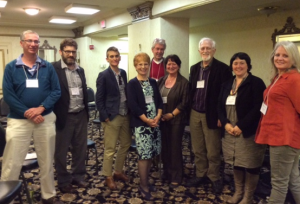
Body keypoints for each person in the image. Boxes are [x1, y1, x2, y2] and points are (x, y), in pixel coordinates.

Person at [1, 30, 62, 204]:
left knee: (46, 160)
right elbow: (8, 95)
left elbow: (56, 91)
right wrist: (28, 112)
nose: (33, 44)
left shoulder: (47, 66)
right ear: (22, 43)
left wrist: (41, 108)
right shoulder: (11, 67)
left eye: (36, 41)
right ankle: (7, 197)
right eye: (29, 41)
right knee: (12, 161)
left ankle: (48, 195)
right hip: (19, 121)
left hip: (45, 119)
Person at [255, 41, 300, 204]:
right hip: (279, 135)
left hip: (284, 138)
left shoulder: (294, 79)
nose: (280, 58)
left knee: (279, 183)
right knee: (293, 179)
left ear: (293, 59)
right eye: (278, 54)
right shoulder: (278, 77)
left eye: (285, 55)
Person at [218, 52, 266, 203]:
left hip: (247, 132)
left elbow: (258, 107)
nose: (238, 66)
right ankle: (238, 193)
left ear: (248, 65)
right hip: (229, 130)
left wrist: (241, 126)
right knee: (236, 162)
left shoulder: (256, 83)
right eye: (235, 63)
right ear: (231, 66)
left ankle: (248, 196)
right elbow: (219, 105)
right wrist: (225, 123)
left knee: (250, 164)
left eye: (242, 63)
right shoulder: (227, 84)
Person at [187, 37, 232, 193]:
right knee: (197, 148)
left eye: (208, 48)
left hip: (212, 115)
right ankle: (201, 173)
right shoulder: (194, 69)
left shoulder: (223, 69)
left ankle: (213, 176)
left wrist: (222, 116)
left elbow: (225, 95)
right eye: (203, 48)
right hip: (195, 113)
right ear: (199, 51)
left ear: (214, 50)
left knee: (213, 149)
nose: (205, 51)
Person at [52, 38, 89, 193]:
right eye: (67, 51)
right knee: (61, 151)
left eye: (73, 52)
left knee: (80, 148)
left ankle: (78, 176)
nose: (71, 54)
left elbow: (83, 91)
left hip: (80, 114)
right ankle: (63, 179)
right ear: (61, 52)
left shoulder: (80, 70)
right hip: (63, 116)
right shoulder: (53, 69)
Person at [127, 52, 163, 200]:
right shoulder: (132, 84)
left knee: (151, 155)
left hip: (155, 124)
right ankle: (143, 185)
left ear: (149, 65)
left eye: (145, 64)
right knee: (144, 156)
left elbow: (159, 102)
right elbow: (133, 106)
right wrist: (147, 120)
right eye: (140, 64)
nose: (143, 67)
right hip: (142, 126)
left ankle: (146, 181)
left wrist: (158, 117)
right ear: (135, 66)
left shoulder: (153, 82)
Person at [96, 46, 131, 190]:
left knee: (126, 144)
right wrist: (104, 117)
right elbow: (99, 98)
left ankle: (117, 171)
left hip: (125, 114)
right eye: (111, 56)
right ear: (107, 59)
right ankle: (108, 176)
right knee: (110, 149)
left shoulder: (123, 73)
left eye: (116, 56)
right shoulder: (103, 75)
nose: (114, 58)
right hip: (112, 116)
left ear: (120, 57)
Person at [157, 54, 189, 188]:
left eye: (174, 64)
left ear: (179, 66)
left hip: (176, 119)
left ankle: (176, 175)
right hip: (162, 119)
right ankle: (167, 171)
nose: (171, 66)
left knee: (174, 148)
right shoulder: (161, 80)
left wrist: (172, 114)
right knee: (164, 146)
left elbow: (185, 102)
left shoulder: (184, 82)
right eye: (168, 64)